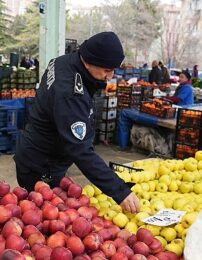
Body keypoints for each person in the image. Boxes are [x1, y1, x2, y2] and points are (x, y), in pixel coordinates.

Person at [14, 32, 140, 213]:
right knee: (40, 220)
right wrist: (120, 191)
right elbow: (81, 150)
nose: (110, 77)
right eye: (106, 70)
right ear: (88, 61)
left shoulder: (63, 61)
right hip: (41, 164)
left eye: (113, 70)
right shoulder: (70, 93)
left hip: (39, 150)